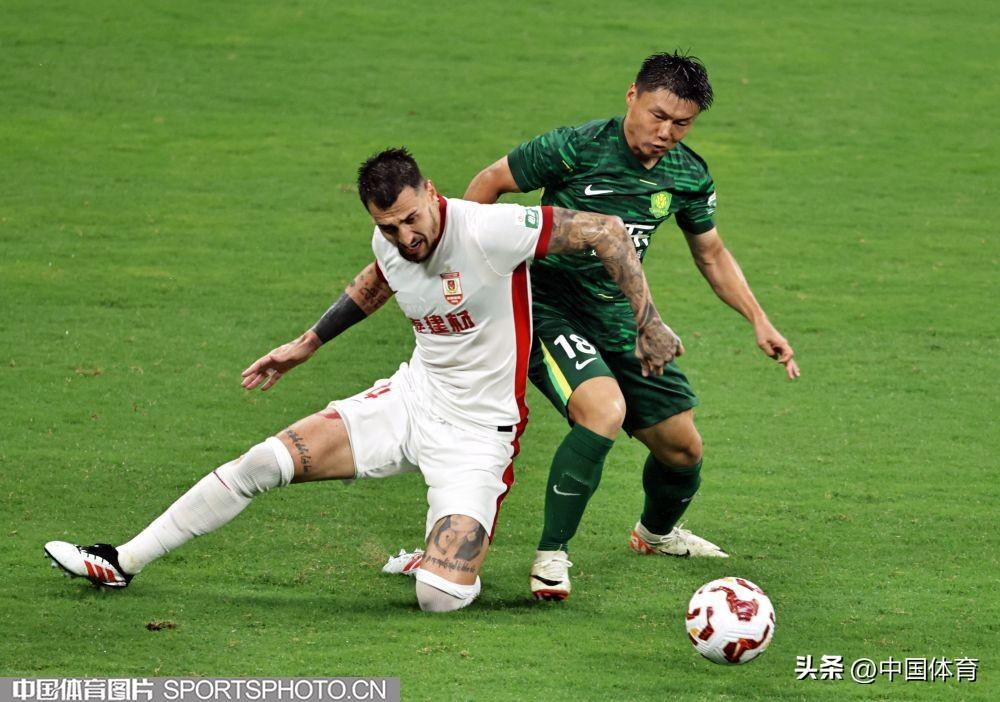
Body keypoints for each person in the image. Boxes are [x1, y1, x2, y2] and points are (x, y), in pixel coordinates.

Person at [44, 148, 679, 612]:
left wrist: (647, 322)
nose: (406, 237)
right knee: (265, 462)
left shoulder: (488, 230)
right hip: (410, 401)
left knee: (438, 598)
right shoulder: (391, 244)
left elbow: (606, 231)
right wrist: (307, 344)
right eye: (388, 227)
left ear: (431, 193)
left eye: (411, 219)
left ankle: (443, 555)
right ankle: (121, 560)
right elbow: (376, 282)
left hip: (479, 436)